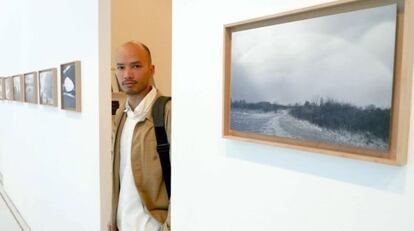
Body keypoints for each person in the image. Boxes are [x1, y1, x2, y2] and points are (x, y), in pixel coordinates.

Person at [109, 41, 171, 231]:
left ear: (151, 70)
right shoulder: (121, 115)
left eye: (136, 66)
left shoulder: (167, 113)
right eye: (121, 67)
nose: (127, 74)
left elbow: (186, 182)